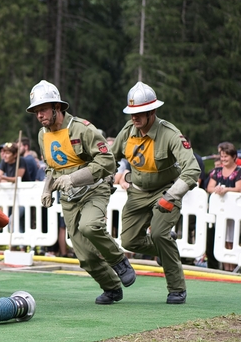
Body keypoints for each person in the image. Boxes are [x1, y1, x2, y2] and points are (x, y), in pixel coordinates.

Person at [29, 79, 136, 305]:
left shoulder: (82, 128)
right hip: (69, 199)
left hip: (94, 190)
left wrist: (74, 177)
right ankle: (111, 287)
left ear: (57, 107)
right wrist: (47, 188)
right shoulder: (42, 135)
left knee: (90, 226)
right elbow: (51, 167)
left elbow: (107, 162)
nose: (39, 115)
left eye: (42, 109)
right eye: (35, 111)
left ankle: (119, 261)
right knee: (84, 256)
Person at [112, 81, 200, 304]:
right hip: (137, 192)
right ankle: (165, 248)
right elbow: (109, 159)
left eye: (140, 112)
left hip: (165, 191)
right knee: (128, 241)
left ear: (152, 111)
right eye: (132, 113)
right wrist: (103, 179)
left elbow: (192, 169)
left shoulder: (170, 133)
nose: (135, 117)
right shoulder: (127, 131)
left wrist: (171, 197)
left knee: (160, 234)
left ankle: (177, 289)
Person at [206, 142, 241, 271]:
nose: (224, 159)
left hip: (234, 212)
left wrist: (226, 190)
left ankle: (232, 268)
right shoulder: (217, 171)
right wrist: (217, 189)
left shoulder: (239, 171)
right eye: (222, 156)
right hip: (220, 211)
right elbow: (209, 187)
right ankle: (226, 268)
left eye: (226, 156)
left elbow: (239, 188)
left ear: (233, 157)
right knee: (222, 239)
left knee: (232, 239)